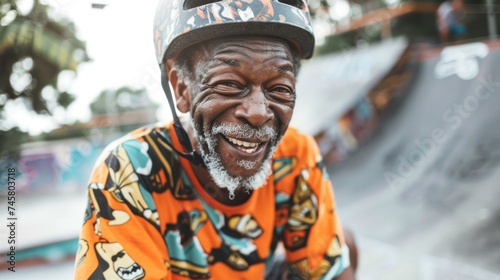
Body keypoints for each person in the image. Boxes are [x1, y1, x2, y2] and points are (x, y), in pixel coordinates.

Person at [74, 0, 357, 279]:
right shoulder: (129, 168)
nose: (258, 113)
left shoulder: (296, 154)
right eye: (229, 84)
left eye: (279, 88)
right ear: (181, 88)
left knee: (344, 246)